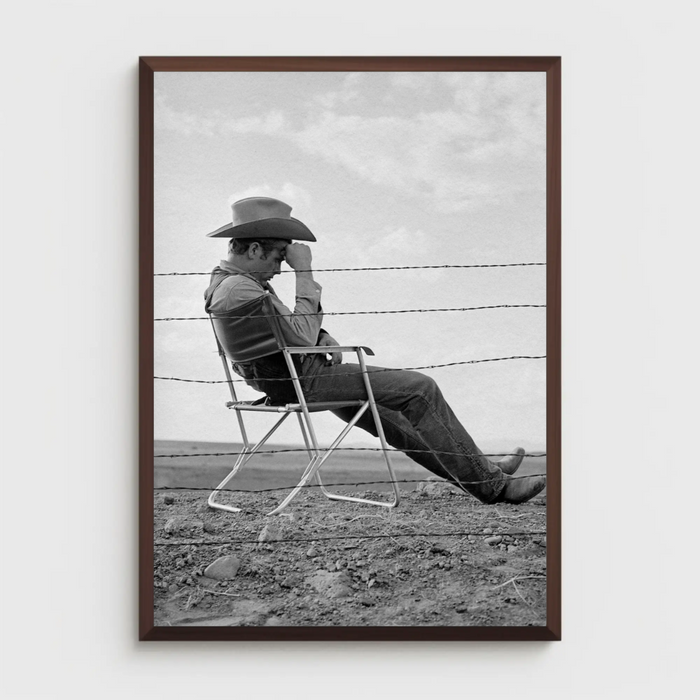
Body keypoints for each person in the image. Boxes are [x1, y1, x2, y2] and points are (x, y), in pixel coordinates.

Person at [204, 196, 546, 505]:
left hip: (287, 379)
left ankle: (481, 472)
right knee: (419, 389)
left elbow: (284, 333)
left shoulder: (232, 285)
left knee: (392, 420)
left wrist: (321, 336)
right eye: (279, 256)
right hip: (301, 380)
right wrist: (305, 272)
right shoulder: (240, 289)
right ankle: (492, 485)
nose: (281, 268)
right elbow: (297, 337)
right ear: (253, 251)